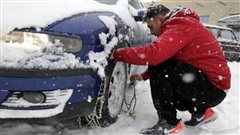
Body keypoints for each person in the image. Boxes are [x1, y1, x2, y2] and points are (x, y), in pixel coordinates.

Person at [110, 4, 231, 135]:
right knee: (163, 67)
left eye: (151, 27)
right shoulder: (183, 24)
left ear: (159, 19)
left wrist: (117, 54)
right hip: (213, 86)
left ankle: (168, 123)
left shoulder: (180, 25)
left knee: (158, 65)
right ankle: (201, 112)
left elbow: (155, 56)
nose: (151, 32)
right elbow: (171, 58)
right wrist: (144, 76)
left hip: (212, 88)